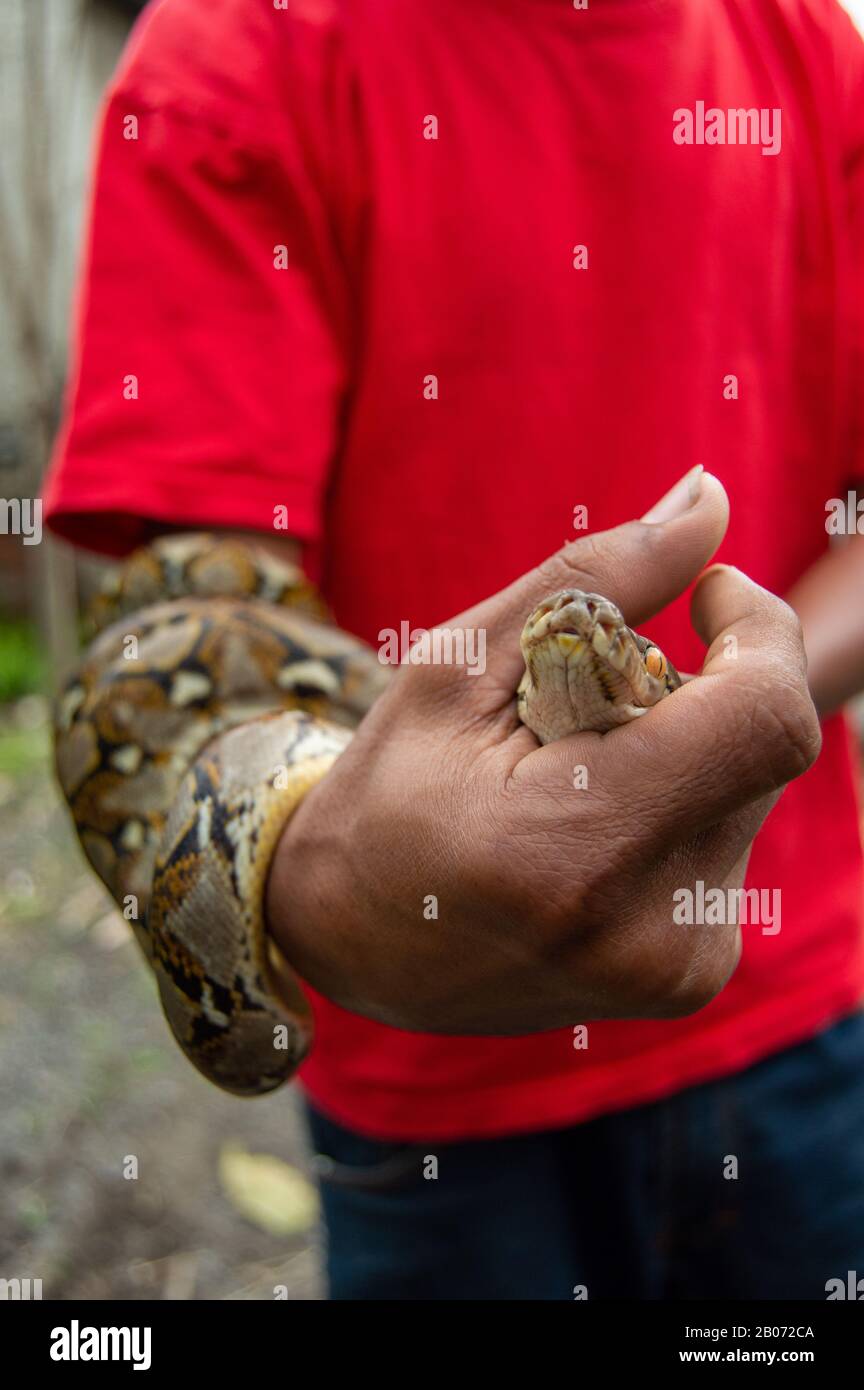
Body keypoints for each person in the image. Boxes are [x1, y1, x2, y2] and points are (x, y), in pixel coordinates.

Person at [44, 0, 864, 1300]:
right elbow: (191, 619)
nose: (579, 638)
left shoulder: (812, 51)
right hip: (426, 1073)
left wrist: (731, 714)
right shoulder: (234, 54)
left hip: (801, 1003)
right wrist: (325, 878)